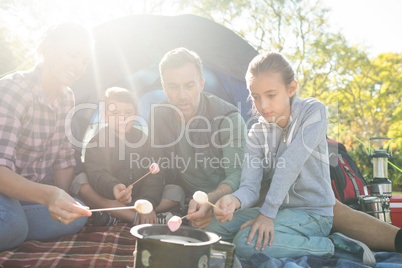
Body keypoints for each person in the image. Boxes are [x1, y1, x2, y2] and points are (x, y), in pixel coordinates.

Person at [0, 22, 92, 251]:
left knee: (77, 214)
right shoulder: (14, 90)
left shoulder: (67, 97)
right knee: (12, 224)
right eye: (73, 55)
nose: (79, 66)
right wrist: (49, 195)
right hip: (4, 187)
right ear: (47, 49)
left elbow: (63, 157)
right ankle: (13, 224)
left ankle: (15, 224)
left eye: (85, 61)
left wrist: (62, 200)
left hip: (26, 195)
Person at [148, 47, 247, 228]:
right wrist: (149, 203)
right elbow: (156, 165)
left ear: (201, 84)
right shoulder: (158, 115)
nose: (182, 96)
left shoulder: (228, 118)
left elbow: (238, 175)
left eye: (189, 85)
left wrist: (210, 200)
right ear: (164, 88)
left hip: (223, 198)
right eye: (173, 87)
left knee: (215, 230)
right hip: (185, 195)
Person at [71, 87, 185, 225]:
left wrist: (147, 202)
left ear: (136, 115)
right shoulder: (96, 142)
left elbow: (154, 176)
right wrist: (113, 187)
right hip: (109, 196)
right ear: (104, 116)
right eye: (115, 113)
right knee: (80, 182)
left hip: (139, 197)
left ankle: (120, 215)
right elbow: (97, 173)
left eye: (128, 112)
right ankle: (136, 218)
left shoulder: (145, 141)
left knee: (176, 192)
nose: (122, 118)